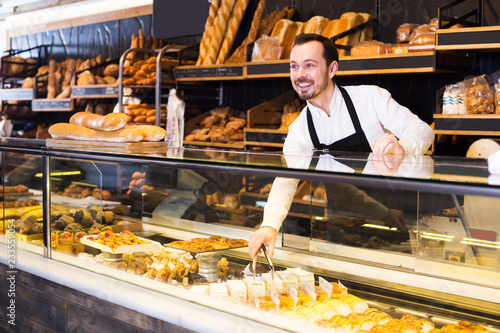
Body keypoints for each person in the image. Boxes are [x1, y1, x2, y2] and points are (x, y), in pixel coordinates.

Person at [248, 33, 434, 259]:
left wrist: (402, 146)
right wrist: (270, 225)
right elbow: (287, 180)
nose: (300, 75)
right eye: (294, 67)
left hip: (401, 220)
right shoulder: (299, 131)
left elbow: (423, 131)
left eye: (309, 65)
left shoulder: (370, 99)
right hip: (341, 228)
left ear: (332, 69)